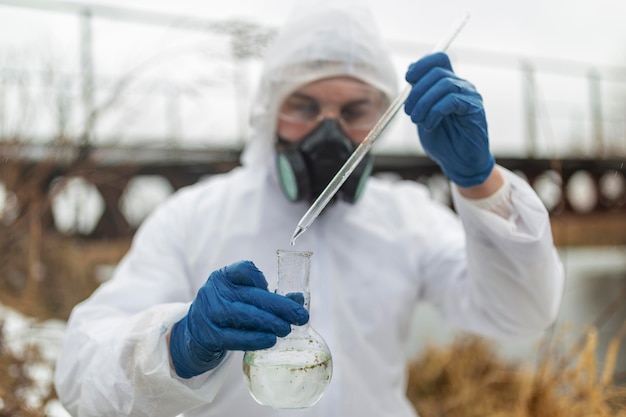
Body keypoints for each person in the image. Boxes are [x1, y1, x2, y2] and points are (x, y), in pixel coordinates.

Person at [54, 1, 564, 416]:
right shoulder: (195, 216)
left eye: (354, 110)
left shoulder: (406, 218)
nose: (329, 130)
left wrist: (481, 185)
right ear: (271, 112)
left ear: (383, 116)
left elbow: (521, 312)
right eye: (305, 106)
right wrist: (177, 345)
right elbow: (80, 373)